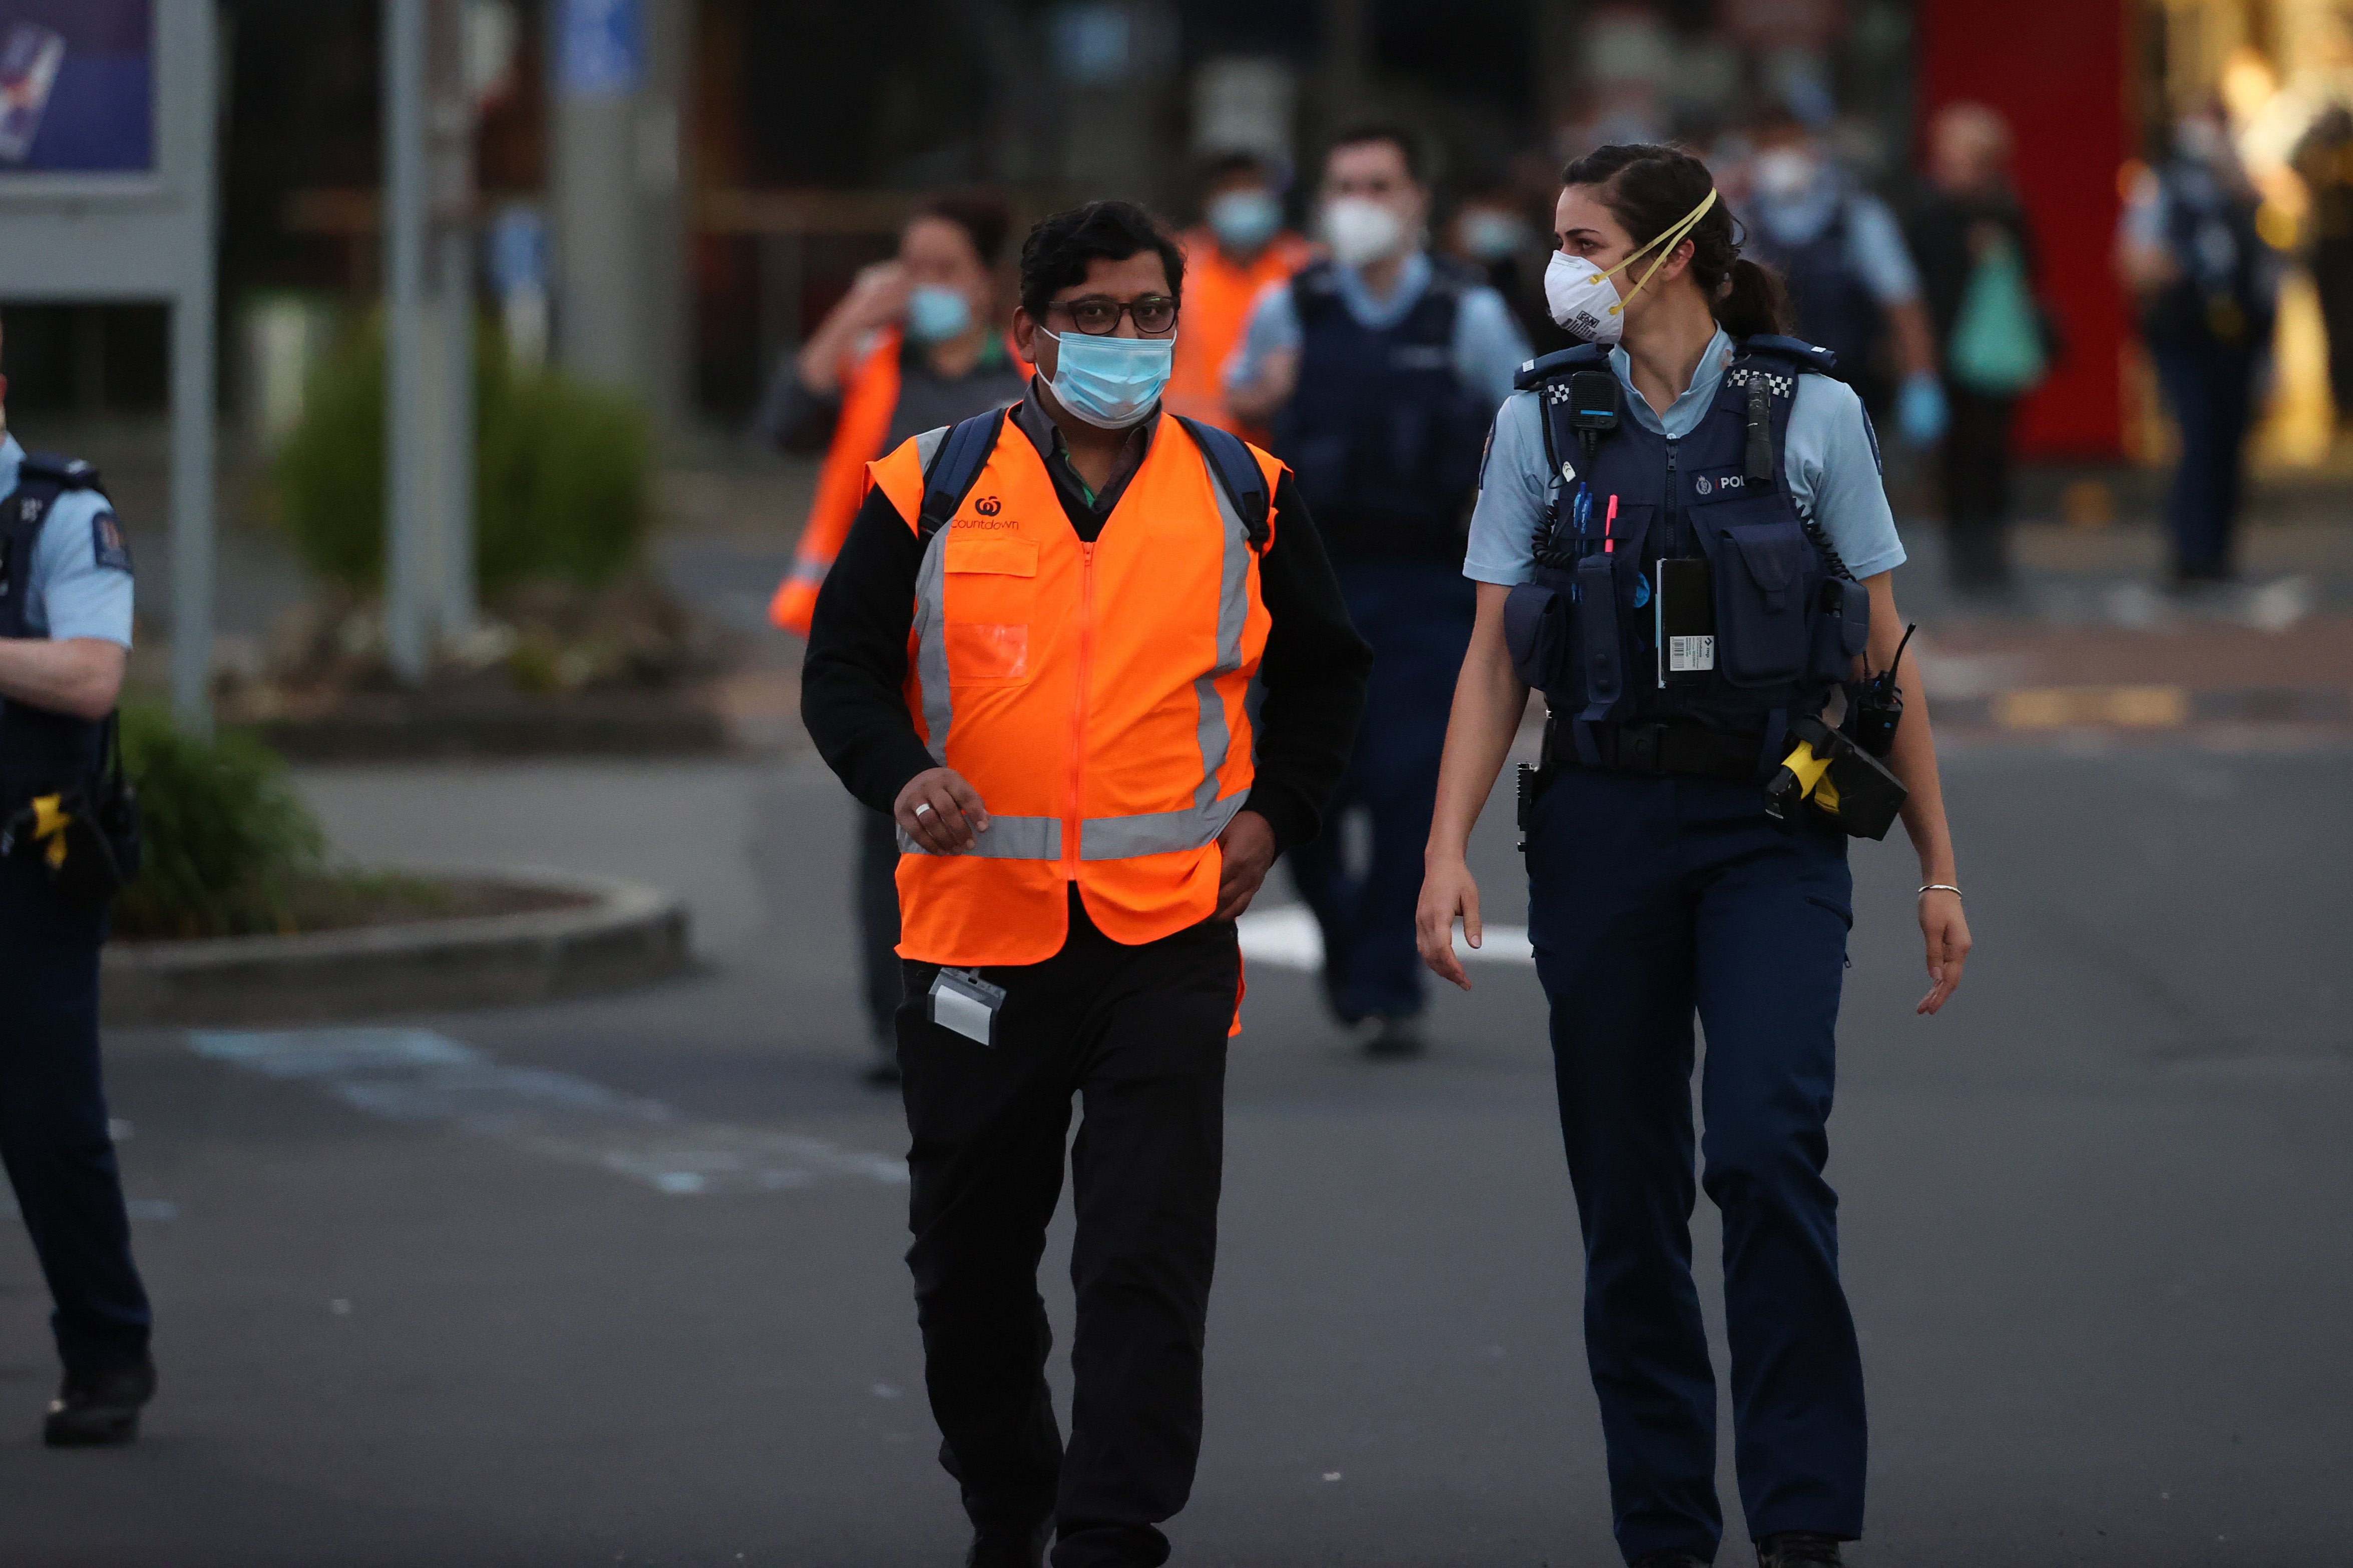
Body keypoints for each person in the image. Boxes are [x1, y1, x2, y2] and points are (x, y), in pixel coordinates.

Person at [1418, 144, 1972, 1568]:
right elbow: (1494, 660)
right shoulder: (1540, 416)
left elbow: (1879, 643)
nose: (1558, 265)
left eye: (1580, 238)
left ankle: (1799, 1515)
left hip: (1771, 824)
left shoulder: (1810, 411)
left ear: (1668, 251)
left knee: (1766, 1149)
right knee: (1626, 1187)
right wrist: (1446, 850)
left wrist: (1936, 866)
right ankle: (1663, 1520)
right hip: (1597, 827)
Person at [800, 200, 1369, 1568]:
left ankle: (1113, 1526)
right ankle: (1011, 1495)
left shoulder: (1248, 491)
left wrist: (1273, 816)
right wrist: (902, 778)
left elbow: (1327, 675)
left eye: (1149, 314)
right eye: (1096, 316)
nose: (1126, 339)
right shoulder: (923, 484)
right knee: (969, 1263)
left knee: (1142, 1251)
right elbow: (839, 673)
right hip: (973, 940)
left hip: (1165, 933)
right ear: (1029, 335)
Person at [1226, 124, 1531, 1056]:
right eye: (1345, 183)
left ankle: (1391, 987)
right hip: (1310, 586)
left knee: (1407, 789)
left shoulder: (1464, 311)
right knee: (1302, 789)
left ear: (1416, 202)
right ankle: (1346, 929)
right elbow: (1235, 402)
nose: (1360, 201)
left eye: (1379, 184)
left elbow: (1527, 414)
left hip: (1427, 585)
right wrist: (1260, 394)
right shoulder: (1296, 305)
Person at [758, 192, 1029, 1084]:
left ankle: (997, 1006)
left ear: (989, 282)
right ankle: (901, 1018)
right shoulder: (876, 364)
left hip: (999, 649)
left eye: (945, 268)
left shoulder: (1025, 378)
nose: (925, 287)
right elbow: (786, 423)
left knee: (996, 832)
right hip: (888, 644)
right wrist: (850, 315)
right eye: (911, 267)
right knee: (895, 830)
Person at [0, 338, 158, 1447]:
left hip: (28, 866)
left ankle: (106, 1354)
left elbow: (94, 677)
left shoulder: (58, 510)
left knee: (49, 1125)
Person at [2116, 106, 2280, 588]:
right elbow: (2134, 261)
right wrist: (2181, 270)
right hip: (2184, 335)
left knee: (2229, 440)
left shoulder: (2244, 194)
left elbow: (2268, 270)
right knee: (2196, 435)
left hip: (2237, 338)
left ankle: (2220, 553)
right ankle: (2190, 553)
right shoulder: (2161, 187)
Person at [1906, 102, 2051, 594]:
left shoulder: (2007, 212)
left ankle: (1990, 549)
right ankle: (1963, 553)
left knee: (1993, 453)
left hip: (1992, 355)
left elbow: (2030, 276)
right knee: (1956, 458)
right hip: (1944, 352)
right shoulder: (1926, 212)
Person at [1738, 107, 1945, 443]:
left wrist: (1921, 380)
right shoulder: (1740, 218)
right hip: (1766, 392)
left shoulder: (1856, 213)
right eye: (1768, 145)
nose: (1781, 154)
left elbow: (1902, 300)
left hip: (1852, 384)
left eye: (1790, 141)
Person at [1163, 152, 1316, 437]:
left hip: (1281, 452)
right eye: (1229, 188)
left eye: (1252, 186)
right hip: (1190, 445)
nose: (1241, 197)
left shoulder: (1307, 268)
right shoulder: (1173, 263)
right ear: (1206, 200)